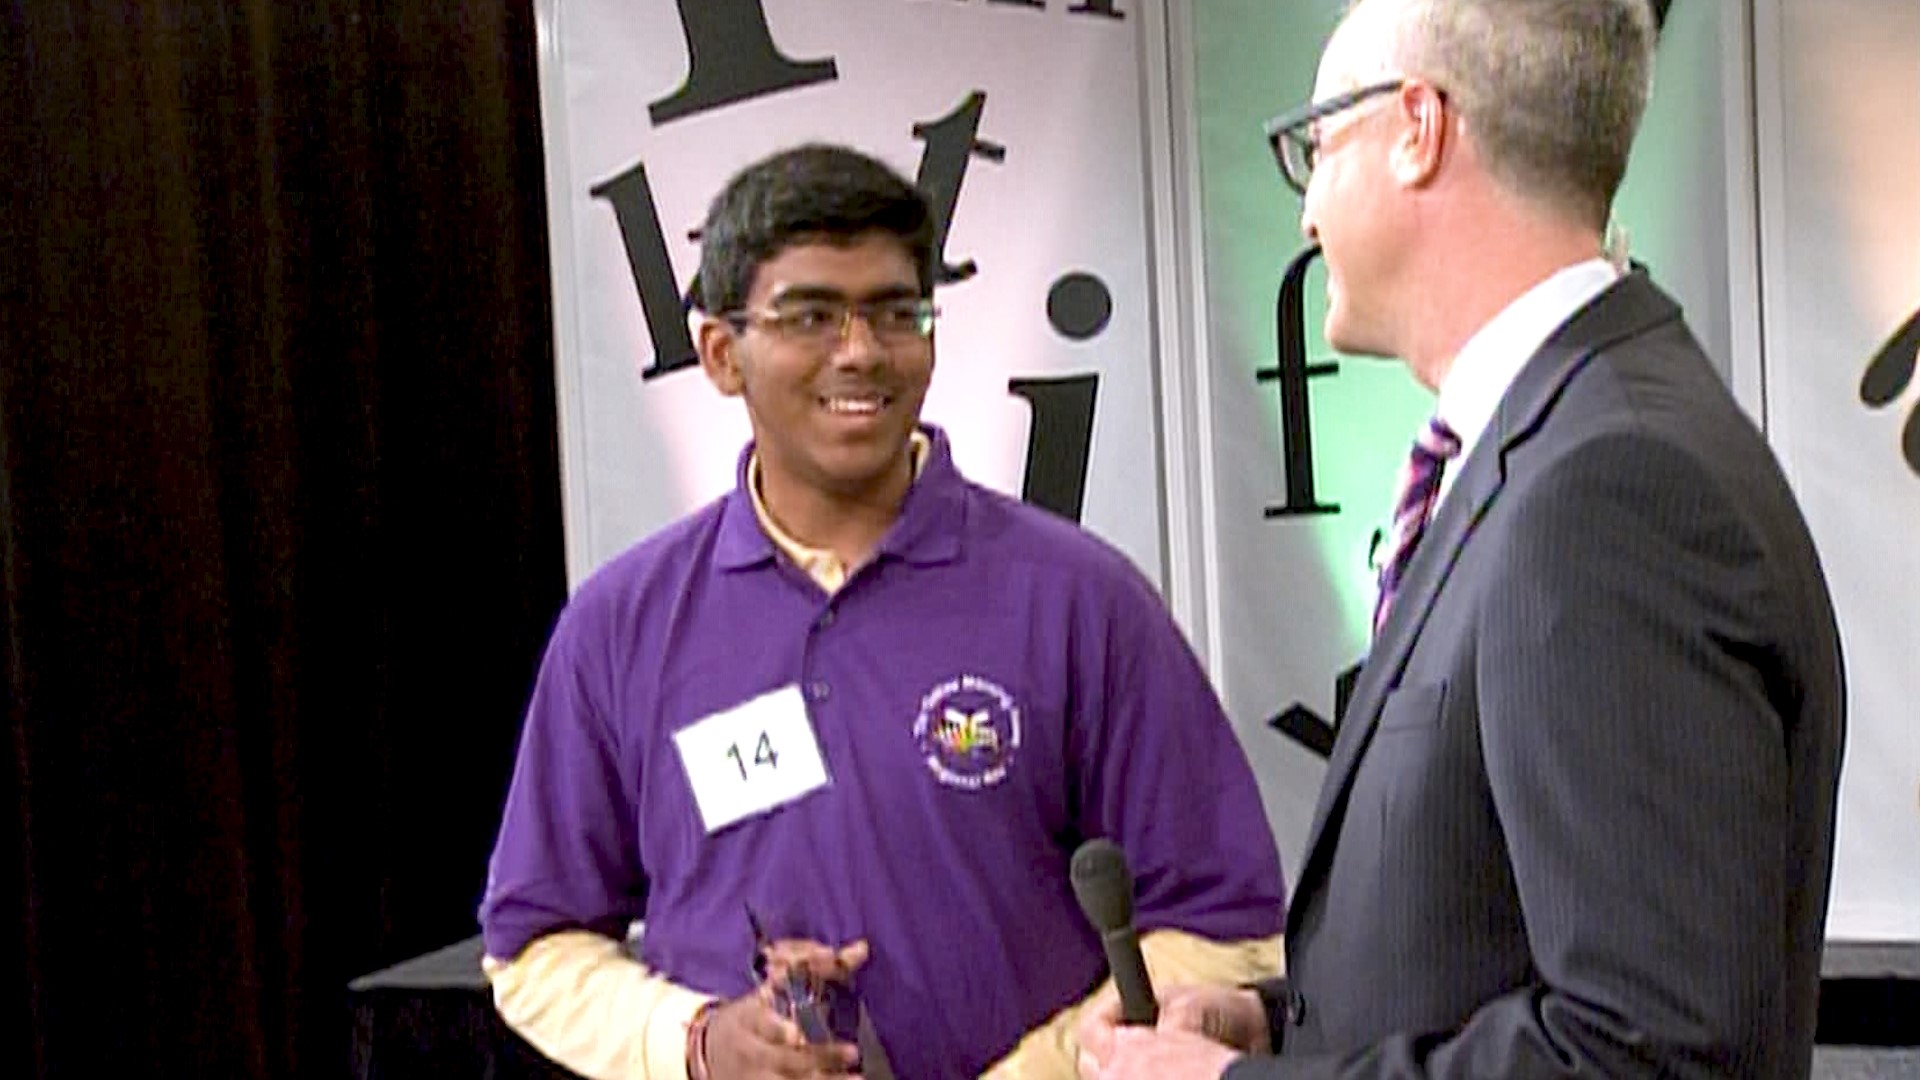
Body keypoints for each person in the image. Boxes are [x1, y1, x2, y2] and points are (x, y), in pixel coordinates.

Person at [1078, 0, 1846, 1077]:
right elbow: (1499, 927)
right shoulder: (1559, 442)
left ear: (1416, 128)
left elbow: (1648, 1055)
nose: (1304, 218)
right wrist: (1279, 1022)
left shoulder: (1609, 486)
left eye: (1315, 146)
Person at [479, 143, 1287, 1080]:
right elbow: (531, 949)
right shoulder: (622, 625)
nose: (860, 351)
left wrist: (1052, 1069)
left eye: (896, 312)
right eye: (811, 314)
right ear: (720, 354)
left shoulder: (1079, 601)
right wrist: (697, 1042)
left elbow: (1225, 930)